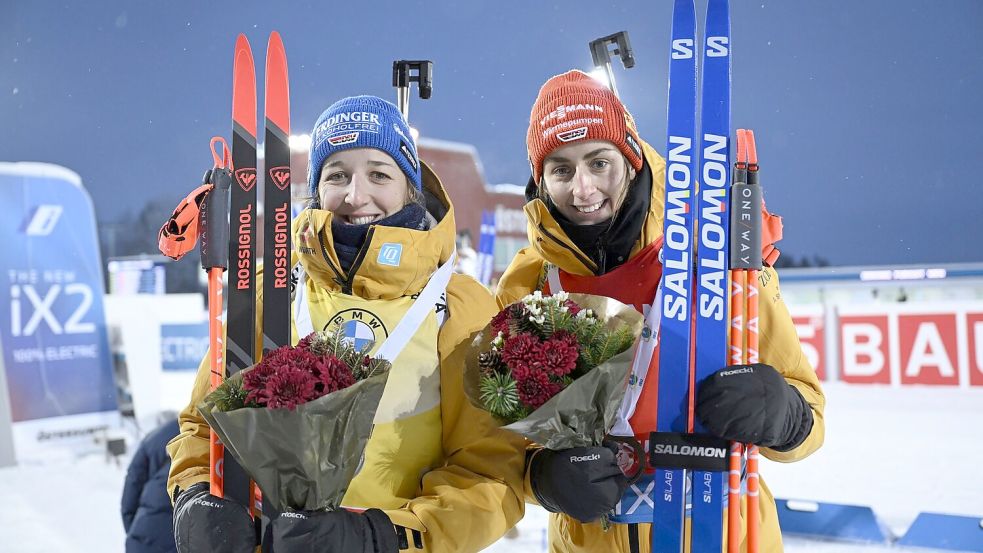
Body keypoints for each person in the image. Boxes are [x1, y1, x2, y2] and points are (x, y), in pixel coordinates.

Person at [166, 95, 526, 553]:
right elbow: (202, 429)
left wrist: (379, 538)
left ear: (409, 186)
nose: (356, 196)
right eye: (337, 175)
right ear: (317, 189)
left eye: (379, 173)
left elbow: (493, 472)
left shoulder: (459, 306)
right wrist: (196, 498)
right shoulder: (270, 290)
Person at [495, 70, 826, 552]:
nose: (583, 190)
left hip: (722, 533)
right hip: (591, 539)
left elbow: (810, 415)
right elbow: (502, 436)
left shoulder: (712, 254)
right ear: (540, 180)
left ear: (630, 160)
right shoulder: (529, 284)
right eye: (561, 170)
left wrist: (784, 414)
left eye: (599, 162)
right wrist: (541, 476)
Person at [121, 418, 180, 552]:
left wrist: (136, 530)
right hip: (190, 534)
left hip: (146, 534)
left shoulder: (159, 436)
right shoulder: (217, 428)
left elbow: (133, 483)